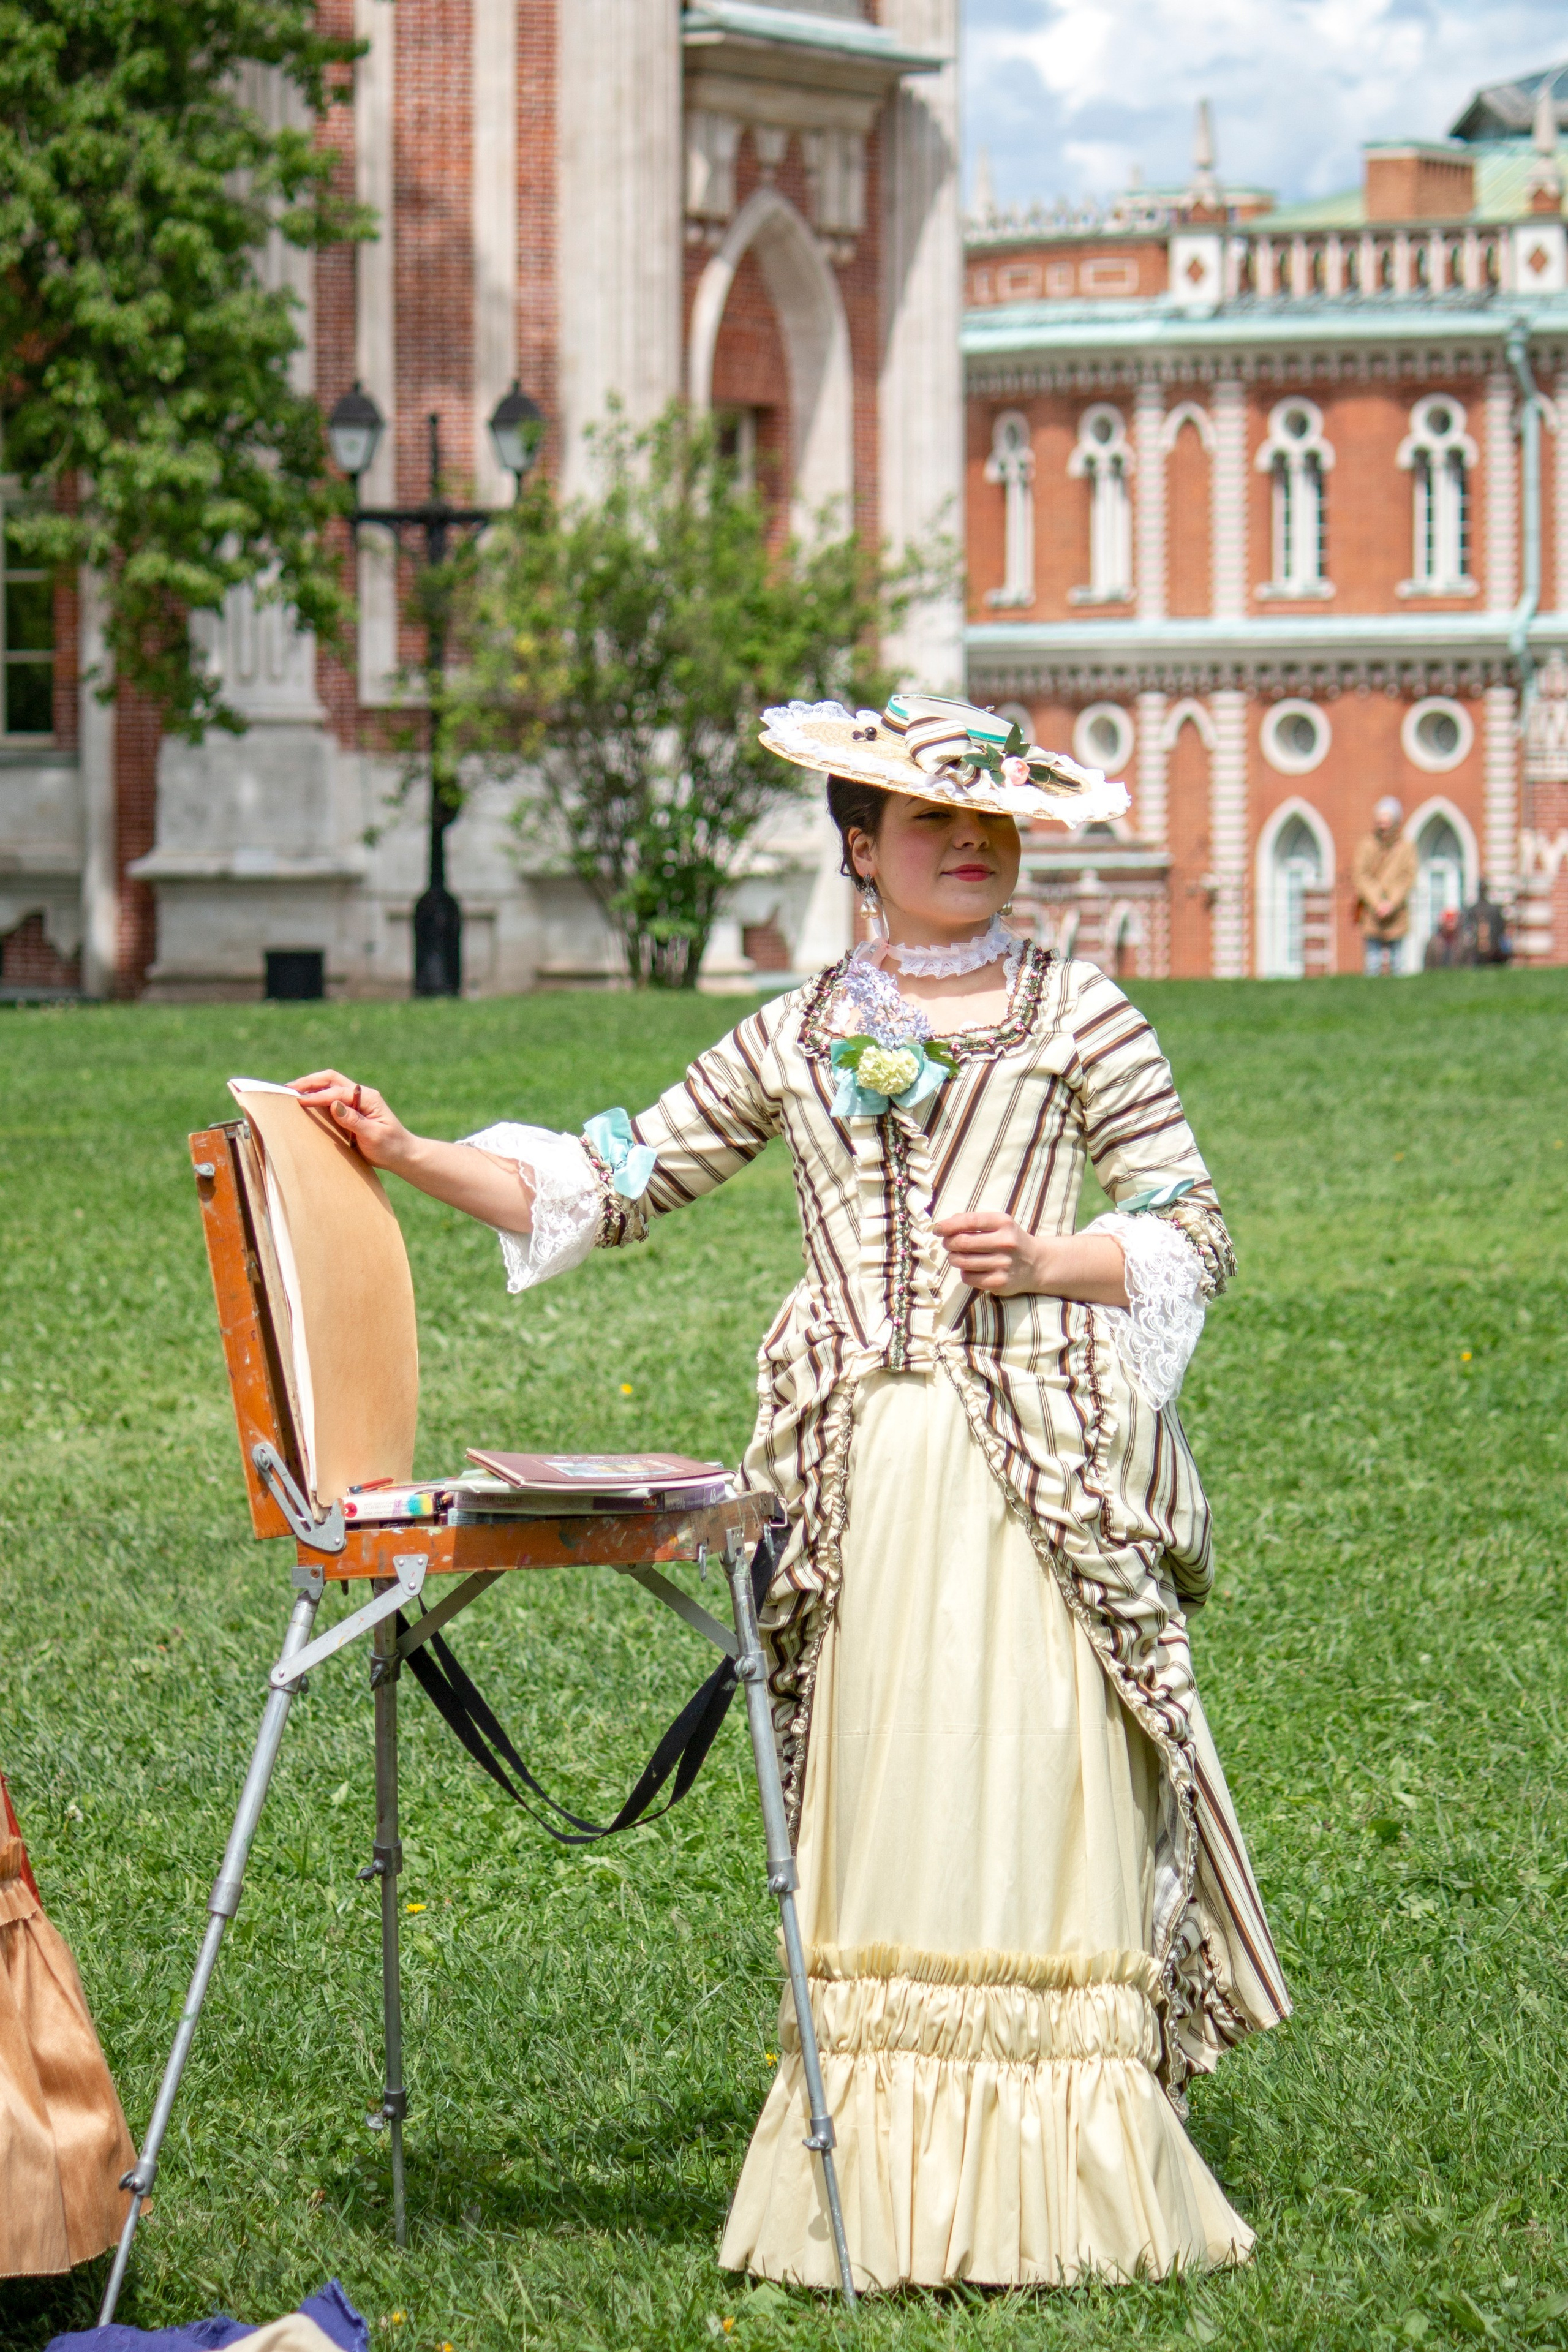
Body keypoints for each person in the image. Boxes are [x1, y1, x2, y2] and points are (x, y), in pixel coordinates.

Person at [292, 692, 1289, 2293]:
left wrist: (1051, 1259)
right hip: (866, 1479)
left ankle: (1063, 2185)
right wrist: (406, 1150)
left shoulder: (1082, 1013)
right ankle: (873, 2181)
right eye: (931, 825)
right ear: (859, 850)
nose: (969, 848)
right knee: (894, 1787)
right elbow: (616, 1178)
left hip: (1028, 1456)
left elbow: (1192, 1228)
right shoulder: (802, 1026)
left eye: (991, 825)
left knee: (1025, 1773)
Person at [1354, 796, 1418, 975]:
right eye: (1380, 821)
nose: (1383, 826)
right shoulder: (1366, 845)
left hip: (1397, 913)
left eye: (1387, 821)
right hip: (1372, 913)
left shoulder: (1406, 847)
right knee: (1373, 964)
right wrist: (1377, 902)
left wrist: (1391, 903)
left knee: (1399, 964)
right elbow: (1361, 875)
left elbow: (1408, 877)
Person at [1462, 878, 1511, 966]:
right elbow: (1468, 929)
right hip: (1476, 952)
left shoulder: (1495, 909)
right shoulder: (1473, 910)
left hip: (1493, 949)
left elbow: (1501, 930)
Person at [1423, 905, 1463, 969]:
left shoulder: (1464, 943)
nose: (1450, 923)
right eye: (1448, 919)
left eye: (1453, 920)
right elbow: (1427, 966)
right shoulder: (1433, 943)